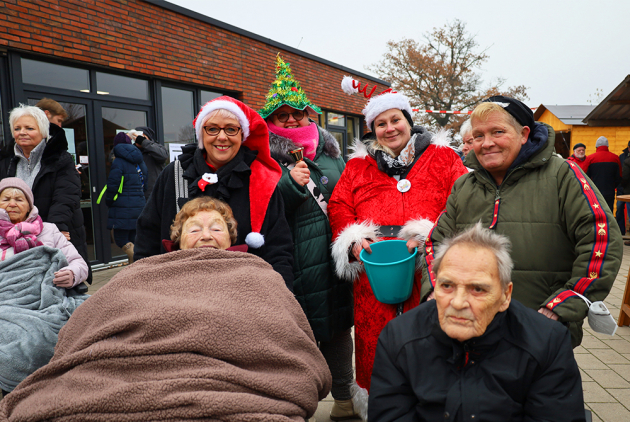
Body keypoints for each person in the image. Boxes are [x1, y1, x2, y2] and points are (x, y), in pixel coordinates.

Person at [0, 197, 331, 420]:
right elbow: (95, 314)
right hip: (129, 369)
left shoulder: (257, 272)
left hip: (241, 377)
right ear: (178, 238)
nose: (205, 234)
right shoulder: (146, 270)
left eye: (216, 228)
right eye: (195, 228)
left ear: (231, 239)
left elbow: (288, 328)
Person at [422, 95, 623, 348]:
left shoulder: (563, 175)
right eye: (479, 136)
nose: (487, 143)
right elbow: (435, 244)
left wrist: (565, 303)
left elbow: (601, 238)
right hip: (469, 331)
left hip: (539, 333)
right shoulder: (464, 186)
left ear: (524, 134)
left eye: (498, 132)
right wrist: (434, 292)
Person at [329, 83, 468, 413]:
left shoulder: (443, 157)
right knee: (376, 341)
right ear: (373, 130)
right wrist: (353, 240)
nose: (389, 128)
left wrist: (433, 236)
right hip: (374, 269)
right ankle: (382, 409)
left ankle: (434, 408)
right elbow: (338, 205)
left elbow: (464, 201)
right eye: (381, 123)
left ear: (409, 119)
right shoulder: (357, 167)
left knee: (432, 337)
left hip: (432, 268)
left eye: (395, 120)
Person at [370, 224, 585, 422]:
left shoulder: (546, 342)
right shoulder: (399, 337)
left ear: (505, 295)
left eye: (478, 289)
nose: (458, 302)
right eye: (447, 285)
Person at [260, 54, 355, 420]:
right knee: (293, 340)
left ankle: (345, 401)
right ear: (270, 121)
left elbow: (348, 199)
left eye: (297, 113)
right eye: (281, 115)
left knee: (335, 335)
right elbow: (262, 207)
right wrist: (288, 184)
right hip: (290, 259)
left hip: (330, 263)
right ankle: (295, 407)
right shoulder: (262, 158)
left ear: (309, 115)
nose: (290, 120)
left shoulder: (332, 155)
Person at [134, 96, 294, 290]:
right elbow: (147, 240)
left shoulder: (261, 180)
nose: (222, 137)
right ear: (202, 134)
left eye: (231, 129)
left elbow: (279, 249)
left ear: (241, 134)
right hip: (177, 294)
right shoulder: (174, 174)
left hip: (246, 297)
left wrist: (279, 300)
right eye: (212, 129)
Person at [0, 177, 88, 397]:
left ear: (30, 205)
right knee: (18, 342)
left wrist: (72, 274)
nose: (12, 203)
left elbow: (80, 264)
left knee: (91, 318)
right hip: (7, 302)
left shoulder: (49, 230)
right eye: (5, 199)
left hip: (49, 299)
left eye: (19, 199)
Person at [0, 105, 90, 286]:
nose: (22, 132)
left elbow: (66, 195)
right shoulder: (6, 160)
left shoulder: (60, 158)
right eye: (17, 128)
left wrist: (57, 228)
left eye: (29, 128)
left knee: (54, 277)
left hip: (50, 229)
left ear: (42, 130)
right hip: (11, 233)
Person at [35, 98, 92, 285]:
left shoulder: (59, 154)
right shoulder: (11, 158)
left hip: (56, 226)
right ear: (46, 115)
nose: (60, 126)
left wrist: (56, 227)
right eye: (59, 121)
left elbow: (65, 194)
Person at [105, 132, 148, 263]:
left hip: (122, 206)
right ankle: (134, 273)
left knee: (120, 239)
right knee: (133, 238)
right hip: (139, 205)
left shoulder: (118, 162)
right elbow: (145, 182)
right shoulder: (140, 161)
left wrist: (109, 200)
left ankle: (139, 261)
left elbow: (113, 185)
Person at [583, 136, 621, 212]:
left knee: (597, 212)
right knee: (609, 211)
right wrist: (613, 186)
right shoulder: (615, 158)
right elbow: (619, 176)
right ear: (607, 146)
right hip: (610, 191)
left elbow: (585, 176)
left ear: (596, 146)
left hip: (595, 192)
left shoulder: (590, 158)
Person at [130, 125, 168, 200]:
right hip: (135, 195)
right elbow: (113, 157)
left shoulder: (156, 148)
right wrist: (125, 139)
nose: (138, 139)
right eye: (136, 136)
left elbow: (163, 156)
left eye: (141, 136)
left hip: (153, 194)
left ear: (148, 138)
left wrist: (144, 142)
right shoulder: (131, 150)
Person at [617, 140, 630, 235]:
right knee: (619, 210)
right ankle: (620, 231)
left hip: (625, 188)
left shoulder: (623, 158)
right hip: (623, 189)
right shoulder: (622, 157)